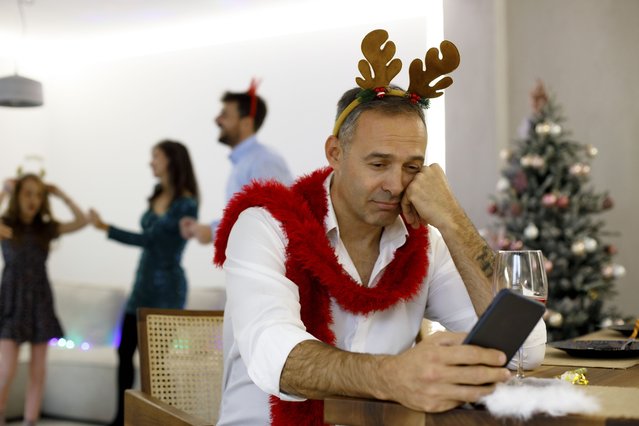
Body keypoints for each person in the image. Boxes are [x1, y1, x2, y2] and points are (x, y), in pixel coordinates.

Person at [212, 30, 546, 425]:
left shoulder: (426, 242)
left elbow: (527, 348)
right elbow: (275, 356)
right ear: (335, 152)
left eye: (412, 167)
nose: (395, 184)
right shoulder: (264, 225)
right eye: (378, 164)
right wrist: (393, 375)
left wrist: (452, 218)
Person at [88, 140, 199, 426]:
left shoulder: (186, 203)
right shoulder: (157, 195)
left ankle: (158, 419)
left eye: (156, 157)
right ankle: (122, 418)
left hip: (167, 290)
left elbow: (151, 240)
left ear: (171, 161)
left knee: (157, 363)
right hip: (143, 284)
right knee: (124, 351)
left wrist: (106, 228)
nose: (151, 162)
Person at [0, 174, 87, 426]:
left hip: (40, 301)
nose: (33, 200)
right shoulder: (6, 224)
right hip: (12, 301)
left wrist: (60, 194)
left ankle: (30, 421)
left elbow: (81, 221)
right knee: (5, 371)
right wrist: (4, 191)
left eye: (38, 194)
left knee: (38, 371)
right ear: (18, 196)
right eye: (27, 193)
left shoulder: (45, 228)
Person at [180, 84, 293, 244]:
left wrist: (212, 231)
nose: (217, 119)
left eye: (224, 115)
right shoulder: (248, 162)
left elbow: (271, 222)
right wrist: (208, 230)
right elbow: (249, 219)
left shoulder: (263, 161)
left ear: (246, 123)